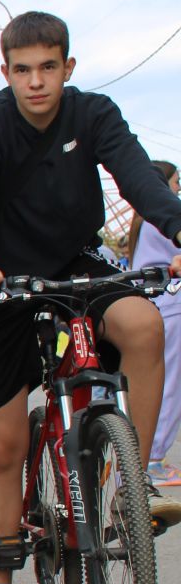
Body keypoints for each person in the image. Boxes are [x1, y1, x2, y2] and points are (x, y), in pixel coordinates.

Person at [0, 10, 181, 584]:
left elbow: (138, 178)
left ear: (68, 68)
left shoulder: (93, 114)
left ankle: (138, 477)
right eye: (23, 70)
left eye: (49, 67)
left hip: (75, 261)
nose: (37, 82)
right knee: (5, 447)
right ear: (6, 73)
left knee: (142, 323)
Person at [130, 160, 181, 482]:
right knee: (169, 388)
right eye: (176, 181)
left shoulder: (144, 220)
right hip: (172, 303)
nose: (178, 188)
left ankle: (148, 459)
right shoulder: (166, 217)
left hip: (155, 304)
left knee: (158, 385)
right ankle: (152, 460)